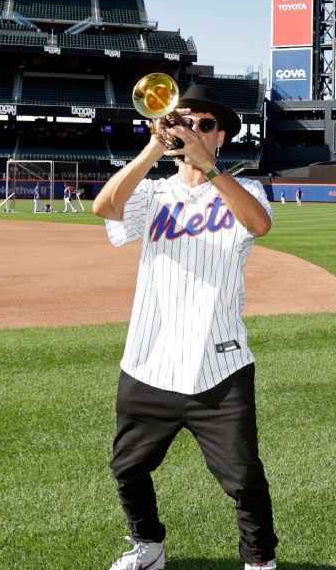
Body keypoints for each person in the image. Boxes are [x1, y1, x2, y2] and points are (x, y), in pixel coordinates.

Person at [92, 84, 278, 570]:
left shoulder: (245, 190)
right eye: (183, 120)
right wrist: (155, 146)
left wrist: (208, 167)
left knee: (243, 479)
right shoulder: (153, 193)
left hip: (220, 366)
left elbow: (258, 224)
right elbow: (105, 208)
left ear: (220, 138)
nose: (192, 128)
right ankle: (148, 548)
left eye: (205, 124)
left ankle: (259, 561)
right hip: (149, 360)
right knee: (127, 468)